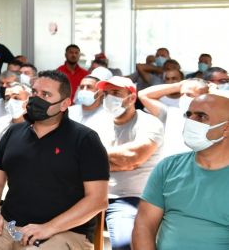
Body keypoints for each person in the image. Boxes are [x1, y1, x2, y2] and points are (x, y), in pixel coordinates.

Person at [0, 70, 109, 250]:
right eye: (34, 92)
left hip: (65, 231)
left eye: (45, 94)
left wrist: (49, 228)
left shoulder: (85, 139)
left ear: (64, 104)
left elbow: (98, 199)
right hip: (9, 225)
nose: (36, 99)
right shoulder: (13, 132)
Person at [132, 93, 229, 249]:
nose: (191, 122)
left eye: (201, 117)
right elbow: (144, 226)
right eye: (189, 115)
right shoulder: (168, 167)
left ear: (226, 129)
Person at [97, 76, 164, 250]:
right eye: (106, 93)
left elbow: (131, 158)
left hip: (130, 198)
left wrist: (94, 158)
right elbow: (80, 160)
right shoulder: (99, 122)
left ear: (132, 98)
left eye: (115, 93)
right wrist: (113, 161)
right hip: (94, 195)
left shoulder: (149, 123)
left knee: (125, 245)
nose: (108, 98)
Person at [138, 78, 209, 158]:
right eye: (182, 94)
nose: (184, 97)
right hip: (171, 164)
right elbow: (143, 95)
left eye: (189, 95)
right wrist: (179, 85)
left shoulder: (213, 118)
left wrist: (212, 91)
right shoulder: (171, 113)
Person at [0, 82, 30, 185]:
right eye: (7, 98)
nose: (11, 102)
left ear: (27, 100)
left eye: (16, 98)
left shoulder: (36, 126)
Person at [68, 71, 114, 146]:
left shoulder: (108, 116)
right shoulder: (69, 111)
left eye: (89, 87)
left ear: (100, 92)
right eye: (82, 87)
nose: (84, 90)